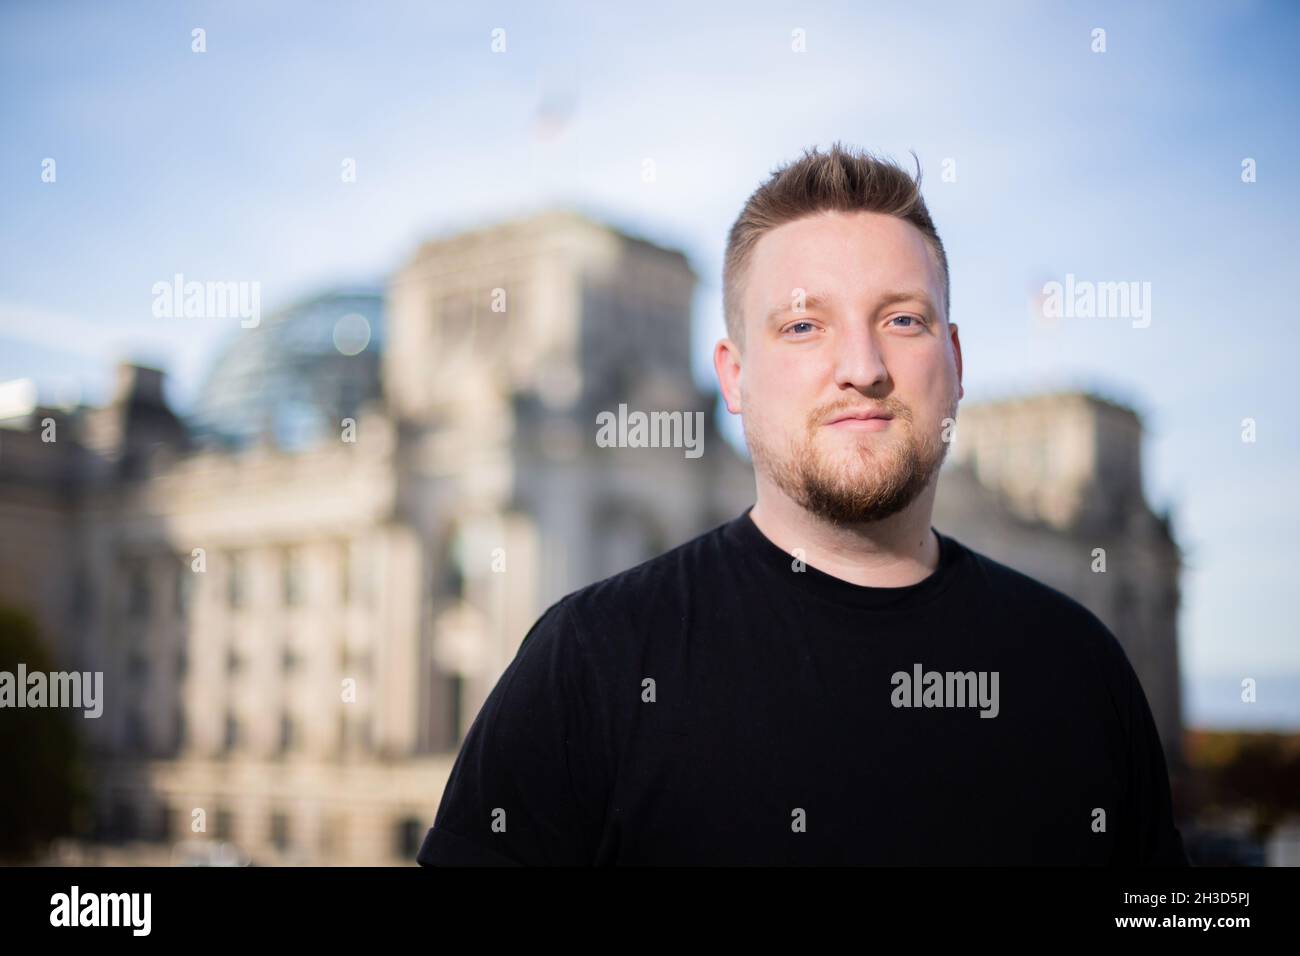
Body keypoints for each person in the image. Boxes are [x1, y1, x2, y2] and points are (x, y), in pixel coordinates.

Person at [417, 142, 1190, 866]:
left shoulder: (1083, 668)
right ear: (733, 379)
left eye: (902, 320)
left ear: (954, 364)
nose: (861, 366)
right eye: (802, 325)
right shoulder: (583, 663)